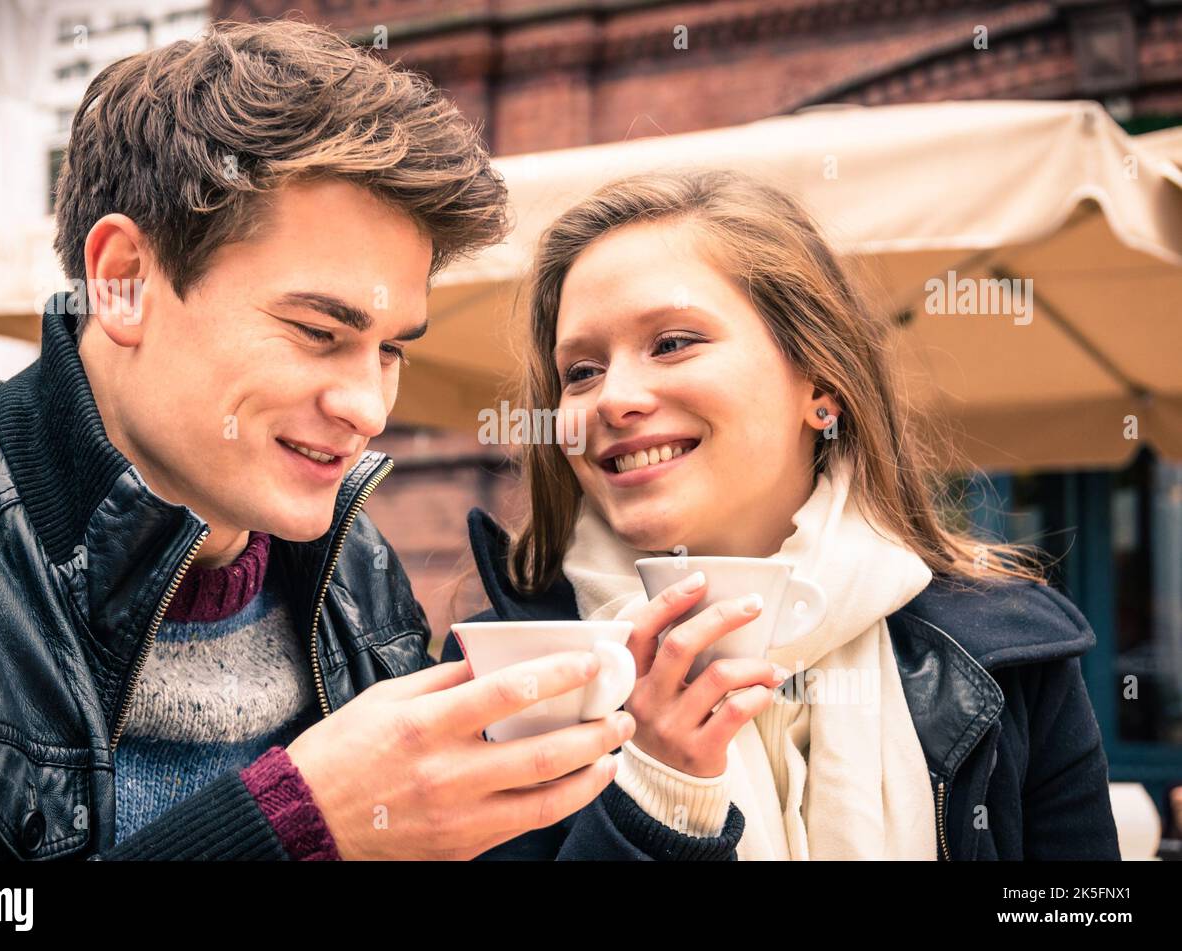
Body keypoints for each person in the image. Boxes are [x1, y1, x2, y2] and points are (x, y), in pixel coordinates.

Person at [0, 20, 668, 861]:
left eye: (392, 348)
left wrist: (668, 790)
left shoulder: (355, 570)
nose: (368, 407)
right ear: (123, 282)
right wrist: (295, 823)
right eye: (318, 331)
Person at [445, 168, 1121, 860]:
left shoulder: (1012, 653)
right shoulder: (507, 671)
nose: (613, 398)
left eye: (673, 342)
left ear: (821, 387)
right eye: (581, 370)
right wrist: (657, 797)